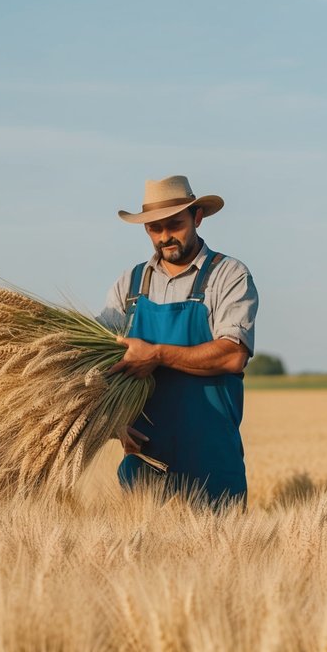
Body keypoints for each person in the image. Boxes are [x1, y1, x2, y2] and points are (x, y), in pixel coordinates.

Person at [100, 174, 258, 504]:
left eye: (174, 224)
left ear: (197, 217)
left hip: (211, 462)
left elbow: (232, 355)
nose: (165, 236)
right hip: (144, 464)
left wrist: (156, 355)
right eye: (154, 228)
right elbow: (99, 364)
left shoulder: (228, 275)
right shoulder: (128, 285)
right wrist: (112, 422)